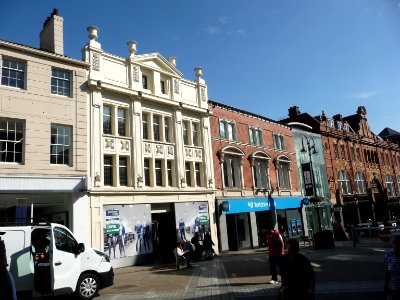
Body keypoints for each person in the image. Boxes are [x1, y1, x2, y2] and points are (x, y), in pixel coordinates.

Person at [384, 233, 400, 300]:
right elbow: (387, 271)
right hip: (394, 288)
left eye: (397, 242)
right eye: (393, 242)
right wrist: (386, 285)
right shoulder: (389, 254)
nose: (395, 244)